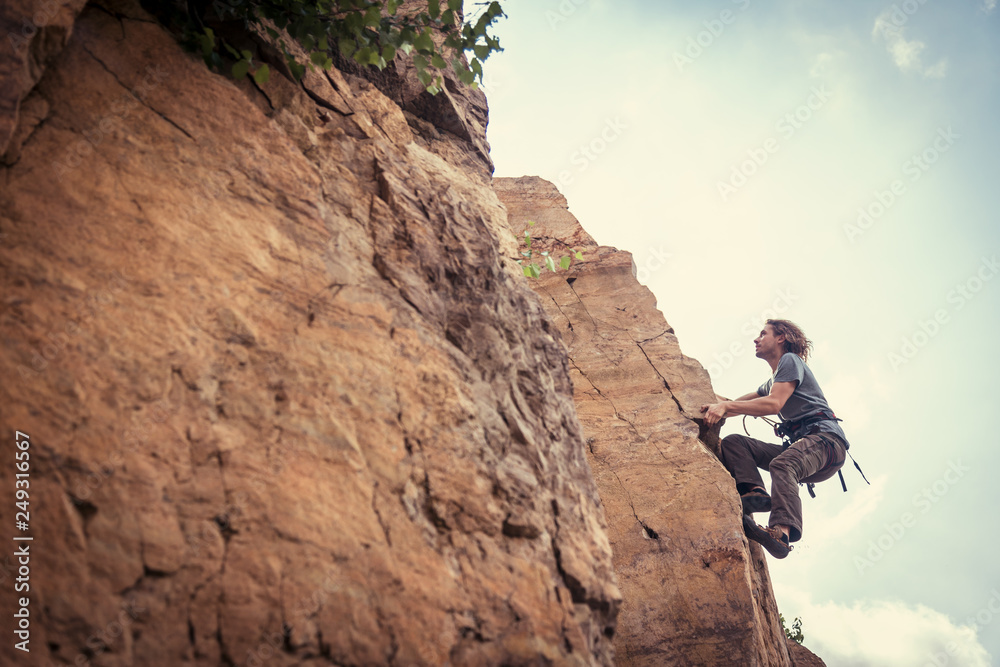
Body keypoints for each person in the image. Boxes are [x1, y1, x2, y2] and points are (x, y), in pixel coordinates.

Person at [700, 319, 849, 559]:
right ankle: (754, 493)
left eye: (763, 334)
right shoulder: (773, 381)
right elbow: (737, 404)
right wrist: (709, 399)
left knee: (782, 464)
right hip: (809, 450)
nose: (756, 339)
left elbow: (773, 404)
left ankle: (781, 534)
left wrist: (726, 405)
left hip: (826, 442)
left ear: (781, 338)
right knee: (735, 442)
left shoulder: (790, 361)